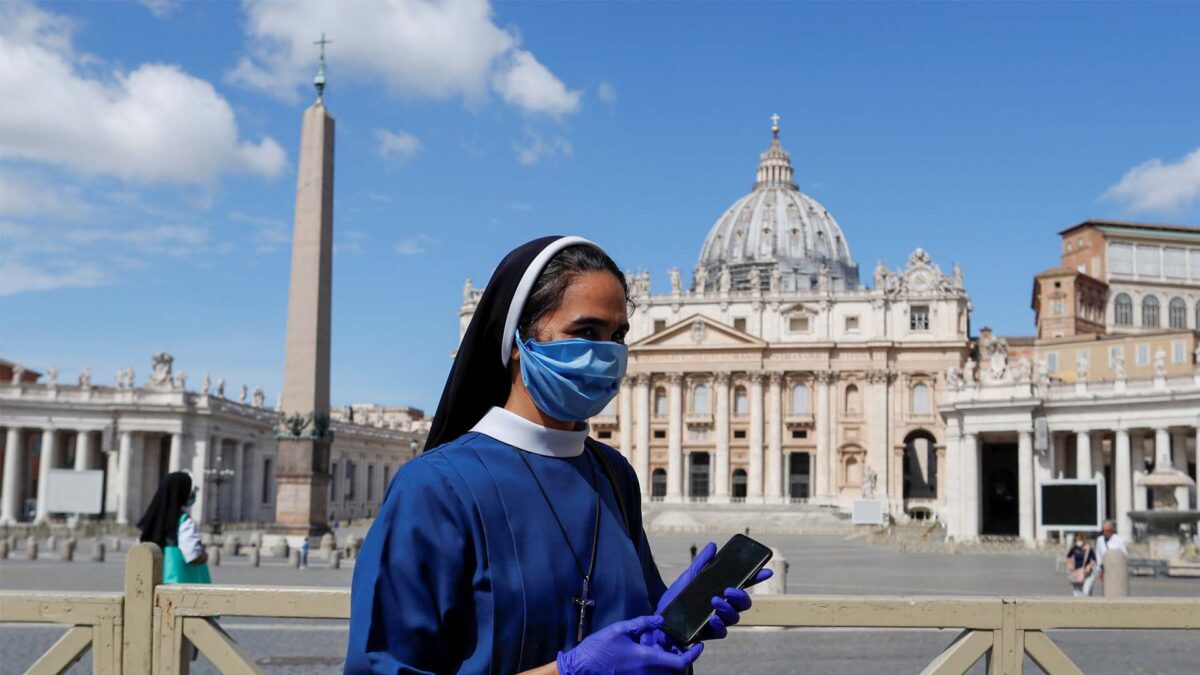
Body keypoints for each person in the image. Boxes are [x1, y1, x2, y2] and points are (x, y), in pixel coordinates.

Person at [346, 237, 771, 674]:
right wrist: (566, 672)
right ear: (517, 341)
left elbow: (627, 638)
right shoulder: (435, 488)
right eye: (586, 333)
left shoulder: (614, 474)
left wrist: (671, 620)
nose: (608, 354)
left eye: (618, 335)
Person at [137, 471, 211, 585]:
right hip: (180, 588)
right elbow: (193, 556)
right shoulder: (184, 521)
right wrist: (204, 555)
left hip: (153, 584)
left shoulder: (152, 520)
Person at [1096, 519, 1128, 584]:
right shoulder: (1100, 540)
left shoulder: (1119, 539)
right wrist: (1099, 569)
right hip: (1104, 568)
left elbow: (1124, 554)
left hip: (1116, 568)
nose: (1105, 533)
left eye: (1107, 531)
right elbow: (1098, 554)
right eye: (1104, 531)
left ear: (1112, 530)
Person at [1065, 532, 1097, 597]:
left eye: (1079, 540)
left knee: (1086, 591)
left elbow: (1094, 560)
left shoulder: (1089, 549)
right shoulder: (1074, 548)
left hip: (1087, 573)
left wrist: (1089, 566)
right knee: (1077, 592)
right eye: (1076, 540)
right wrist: (1070, 564)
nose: (1078, 542)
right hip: (1077, 573)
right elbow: (1068, 557)